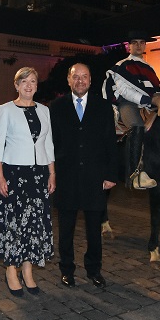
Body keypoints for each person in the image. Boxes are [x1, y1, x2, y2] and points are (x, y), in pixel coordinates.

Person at [50, 63, 119, 288]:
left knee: (93, 229)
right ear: (68, 81)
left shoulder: (104, 107)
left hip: (95, 177)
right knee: (66, 228)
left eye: (84, 77)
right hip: (66, 177)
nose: (80, 81)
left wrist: (110, 174)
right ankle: (67, 269)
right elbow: (50, 144)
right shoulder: (56, 107)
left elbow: (110, 142)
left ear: (90, 80)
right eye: (75, 77)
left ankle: (94, 269)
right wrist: (51, 175)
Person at [0, 67, 55, 297]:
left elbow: (48, 144)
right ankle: (11, 270)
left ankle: (28, 271)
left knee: (35, 224)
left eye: (33, 81)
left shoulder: (45, 111)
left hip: (38, 175)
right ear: (16, 85)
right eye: (24, 81)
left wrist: (52, 173)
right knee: (14, 223)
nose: (29, 85)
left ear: (37, 85)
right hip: (14, 174)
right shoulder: (5, 110)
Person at [102, 30, 160, 189]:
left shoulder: (150, 68)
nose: (139, 45)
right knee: (137, 127)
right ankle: (135, 173)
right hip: (127, 104)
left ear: (145, 45)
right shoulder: (121, 66)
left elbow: (158, 89)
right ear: (129, 46)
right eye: (135, 43)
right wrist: (149, 100)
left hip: (149, 106)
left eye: (141, 42)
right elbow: (126, 91)